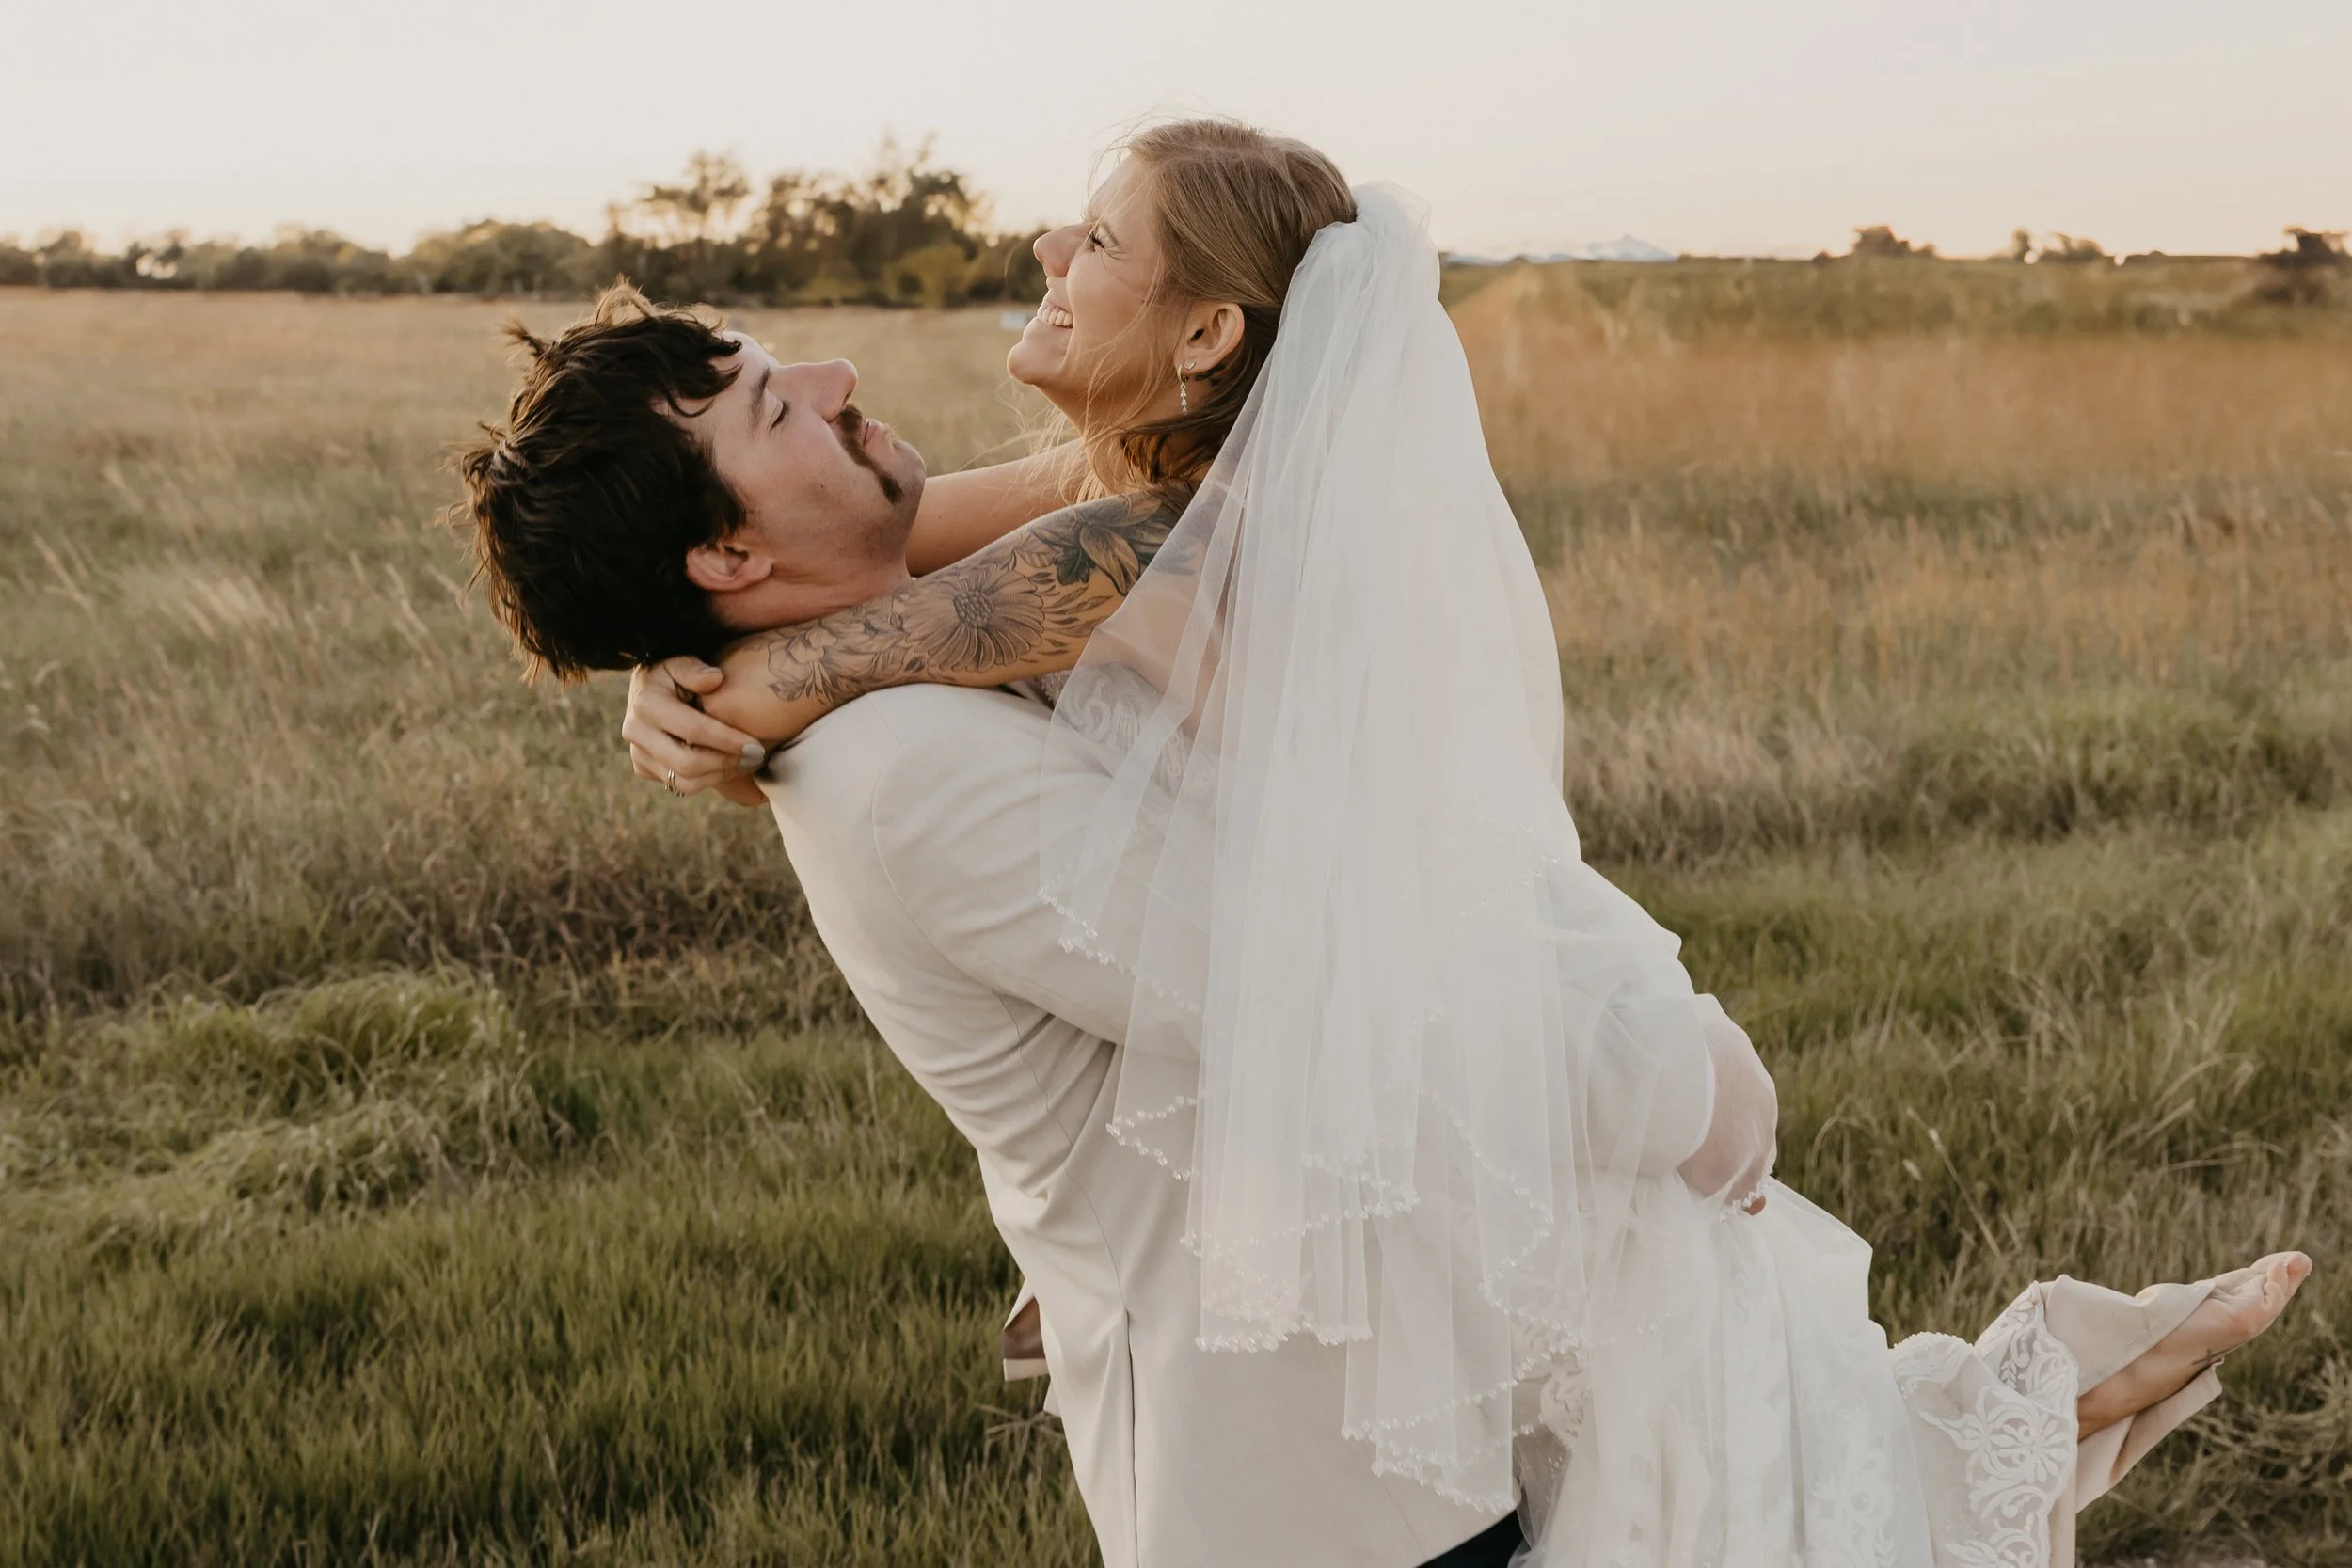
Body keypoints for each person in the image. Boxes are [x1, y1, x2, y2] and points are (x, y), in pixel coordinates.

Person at [459, 119, 2310, 1568]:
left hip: (1412, 1398)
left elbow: (1061, 544)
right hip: (1314, 1485)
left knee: (1756, 1471)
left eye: (1095, 239)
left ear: (1203, 330)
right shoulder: (902, 773)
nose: (848, 371)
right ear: (719, 546)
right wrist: (1664, 1073)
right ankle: (2023, 1404)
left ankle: (2021, 1406)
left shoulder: (1081, 561)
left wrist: (767, 659)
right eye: (780, 403)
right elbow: (1342, 999)